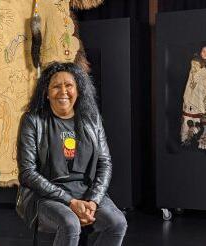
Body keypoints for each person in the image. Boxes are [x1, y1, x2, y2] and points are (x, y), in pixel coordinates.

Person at [15, 62, 127, 246]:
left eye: (69, 85)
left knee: (117, 223)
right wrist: (70, 201)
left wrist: (93, 200)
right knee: (70, 223)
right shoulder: (32, 120)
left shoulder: (92, 119)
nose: (63, 91)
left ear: (78, 89)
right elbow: (27, 172)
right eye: (56, 86)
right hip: (46, 196)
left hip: (87, 192)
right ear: (46, 92)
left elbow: (104, 163)